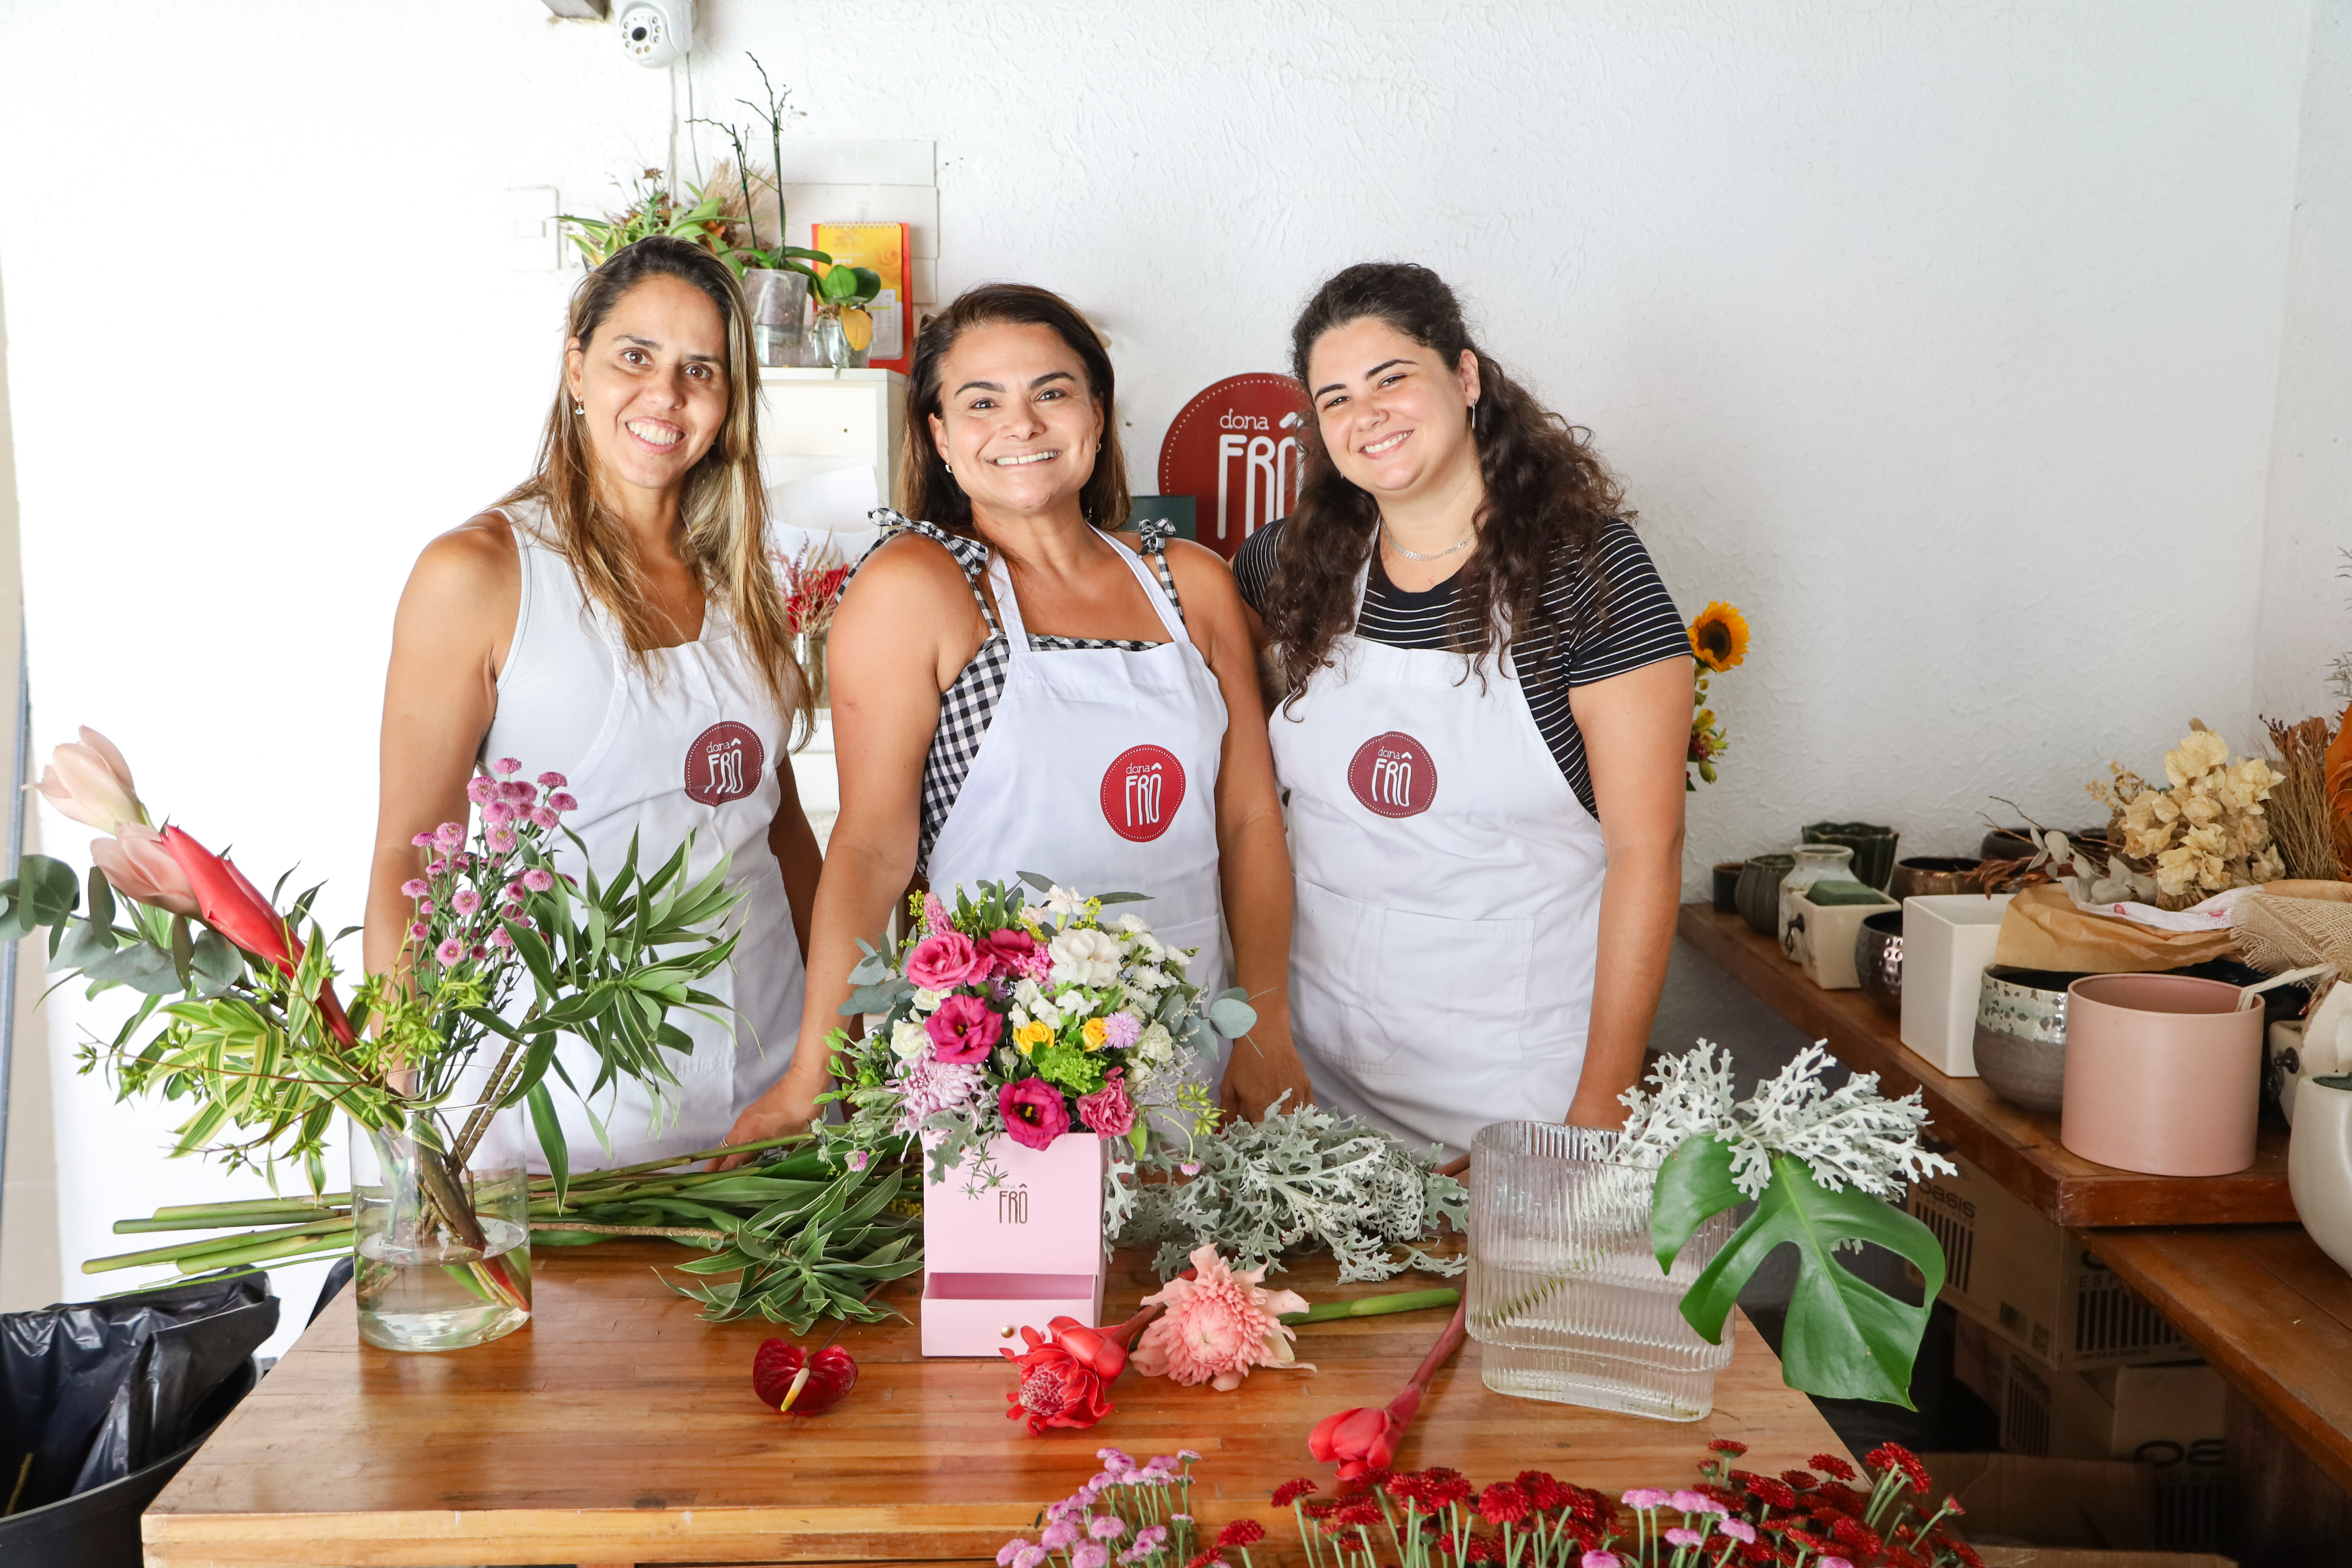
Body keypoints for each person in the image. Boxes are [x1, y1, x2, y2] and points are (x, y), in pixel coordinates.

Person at [721, 283, 1312, 1152]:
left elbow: (1251, 821)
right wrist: (815, 1070)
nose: (1022, 424)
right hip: (994, 1073)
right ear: (939, 436)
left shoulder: (1190, 583)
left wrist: (1265, 1029)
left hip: (1190, 1050)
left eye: (1052, 392)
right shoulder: (915, 589)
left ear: (1097, 414)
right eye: (982, 402)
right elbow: (873, 847)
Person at [365, 235, 821, 1166]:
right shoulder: (482, 573)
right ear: (577, 368)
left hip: (766, 1104)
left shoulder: (743, 571)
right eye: (635, 356)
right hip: (567, 1118)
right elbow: (412, 856)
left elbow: (780, 829)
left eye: (702, 370)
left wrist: (838, 1045)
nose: (668, 395)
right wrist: (406, 1119)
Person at [1236, 262, 1690, 1158]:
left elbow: (1650, 850)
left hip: (1518, 1096)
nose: (1367, 415)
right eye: (1336, 399)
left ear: (1466, 376)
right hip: (1315, 1091)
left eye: (1391, 379)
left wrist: (1603, 1104)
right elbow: (1205, 677)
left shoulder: (1587, 575)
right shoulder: (1296, 563)